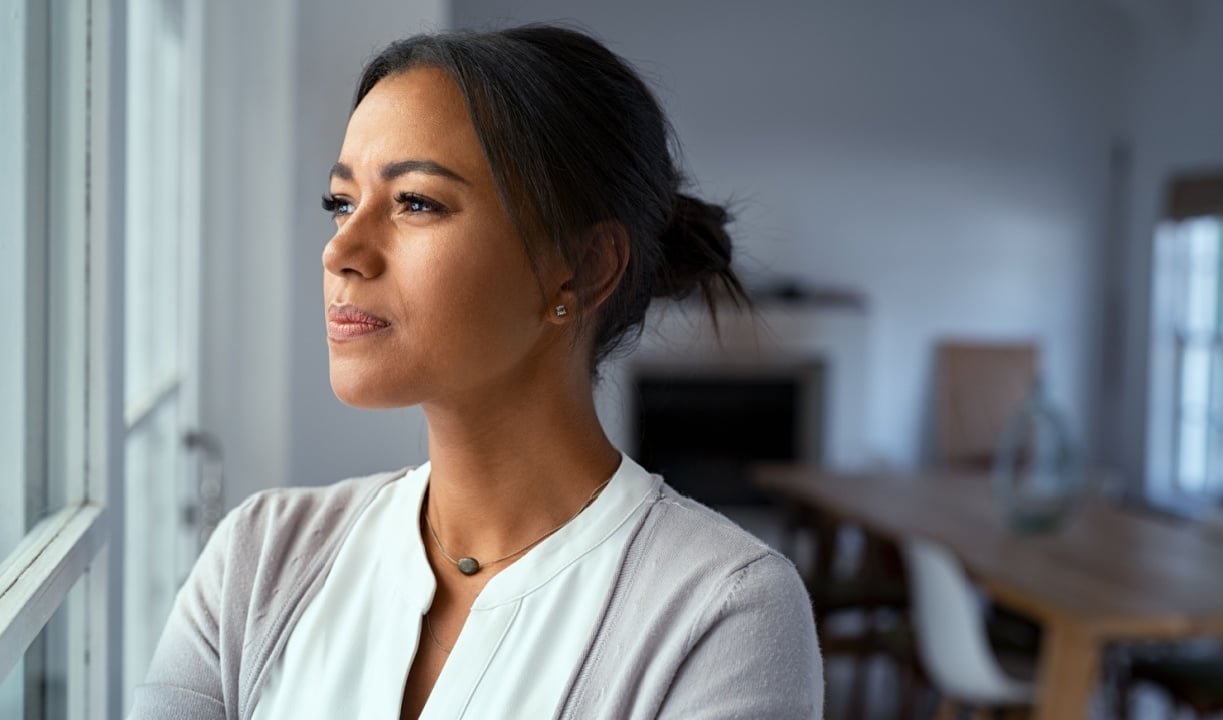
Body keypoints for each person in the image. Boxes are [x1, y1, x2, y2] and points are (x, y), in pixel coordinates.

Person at [130, 24, 822, 720]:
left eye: (416, 203)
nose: (341, 250)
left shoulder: (725, 614)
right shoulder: (259, 559)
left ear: (582, 268)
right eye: (342, 203)